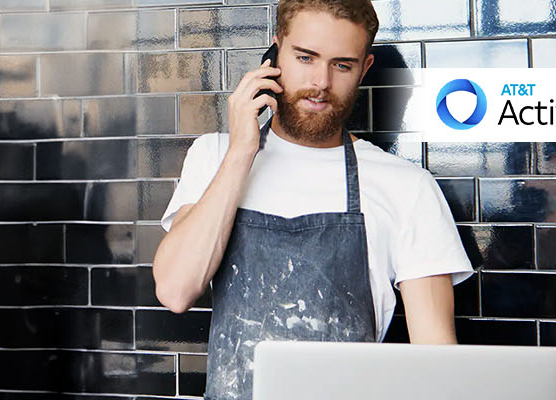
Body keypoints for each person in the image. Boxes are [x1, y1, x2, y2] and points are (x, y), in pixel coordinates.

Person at [151, 1, 474, 399]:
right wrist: (241, 153)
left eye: (342, 65)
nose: (321, 82)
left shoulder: (408, 187)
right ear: (275, 54)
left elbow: (437, 362)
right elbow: (175, 291)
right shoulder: (214, 155)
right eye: (305, 57)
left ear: (365, 69)